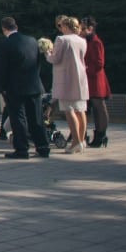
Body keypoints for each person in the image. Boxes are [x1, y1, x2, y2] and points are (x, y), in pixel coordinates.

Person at [0, 16, 50, 159]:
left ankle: (22, 148)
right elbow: (37, 62)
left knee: (18, 118)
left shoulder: (6, 44)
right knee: (36, 117)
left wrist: (2, 87)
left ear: (4, 29)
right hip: (33, 84)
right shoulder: (32, 40)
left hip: (15, 87)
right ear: (16, 26)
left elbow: (3, 68)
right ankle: (43, 146)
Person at [47, 15, 89, 154]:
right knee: (81, 110)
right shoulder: (82, 40)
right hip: (80, 77)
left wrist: (48, 52)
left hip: (65, 79)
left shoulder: (61, 39)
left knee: (69, 110)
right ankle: (81, 141)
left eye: (61, 26)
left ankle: (75, 142)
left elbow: (55, 59)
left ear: (65, 26)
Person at [82, 16, 111, 148]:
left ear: (90, 28)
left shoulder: (96, 42)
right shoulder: (87, 41)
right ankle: (98, 136)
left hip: (96, 79)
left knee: (99, 107)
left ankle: (101, 135)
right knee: (94, 108)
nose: (81, 31)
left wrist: (86, 70)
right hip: (89, 78)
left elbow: (100, 63)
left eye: (83, 29)